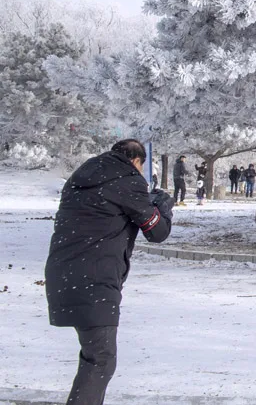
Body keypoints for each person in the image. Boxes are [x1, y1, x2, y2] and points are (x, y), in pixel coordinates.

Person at [45, 139, 173, 405]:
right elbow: (157, 232)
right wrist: (163, 208)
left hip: (62, 274)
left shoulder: (80, 179)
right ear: (137, 161)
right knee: (100, 359)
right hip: (96, 279)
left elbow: (104, 211)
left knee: (94, 356)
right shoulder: (128, 180)